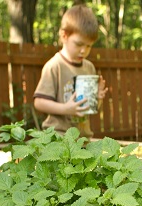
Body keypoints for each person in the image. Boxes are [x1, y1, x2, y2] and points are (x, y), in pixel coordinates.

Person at [33, 4, 108, 138]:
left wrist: (97, 98)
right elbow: (39, 102)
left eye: (89, 46)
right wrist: (65, 109)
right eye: (79, 44)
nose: (83, 50)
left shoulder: (89, 67)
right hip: (57, 137)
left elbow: (89, 108)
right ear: (64, 36)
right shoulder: (55, 66)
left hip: (83, 138)